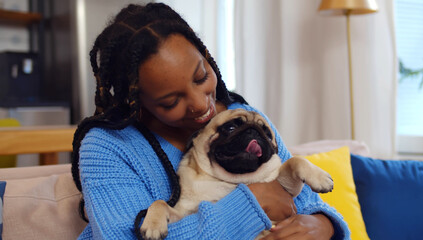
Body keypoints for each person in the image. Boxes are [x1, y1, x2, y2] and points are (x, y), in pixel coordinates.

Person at [71, 3, 350, 240]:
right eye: (171, 101)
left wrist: (323, 225)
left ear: (206, 58)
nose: (201, 104)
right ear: (136, 100)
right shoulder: (108, 147)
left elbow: (308, 202)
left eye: (201, 77)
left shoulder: (243, 117)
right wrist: (251, 206)